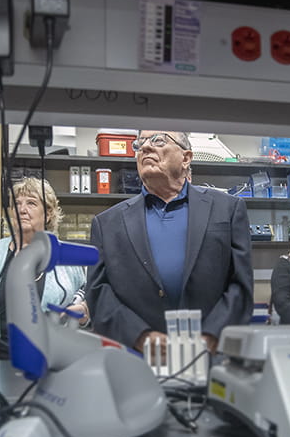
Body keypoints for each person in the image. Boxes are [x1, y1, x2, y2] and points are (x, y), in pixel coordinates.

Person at [87, 130, 253, 355]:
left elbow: (241, 285)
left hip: (211, 356)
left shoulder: (228, 209)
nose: (145, 147)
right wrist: (141, 336)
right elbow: (98, 292)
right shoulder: (107, 224)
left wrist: (211, 335)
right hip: (136, 358)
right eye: (140, 143)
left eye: (158, 140)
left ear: (186, 158)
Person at [0, 177, 86, 361]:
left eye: (31, 203)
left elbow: (84, 303)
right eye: (16, 204)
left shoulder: (66, 256)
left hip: (47, 362)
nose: (22, 210)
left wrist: (83, 311)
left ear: (48, 213)